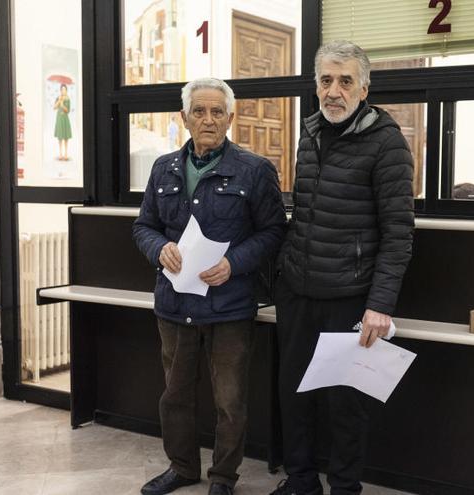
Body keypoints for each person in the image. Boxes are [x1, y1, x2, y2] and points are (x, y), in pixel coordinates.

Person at [271, 40, 415, 495]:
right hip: (298, 290)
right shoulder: (309, 131)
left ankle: (345, 488)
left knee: (345, 404)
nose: (334, 91)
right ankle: (300, 481)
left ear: (364, 87)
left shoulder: (387, 142)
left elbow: (398, 233)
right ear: (316, 85)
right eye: (326, 80)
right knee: (294, 393)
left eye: (345, 81)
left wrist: (379, 305)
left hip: (351, 297)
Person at [133, 77, 287, 495]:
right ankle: (182, 468)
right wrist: (159, 247)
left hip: (229, 306)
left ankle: (223, 478)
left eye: (217, 111)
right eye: (199, 111)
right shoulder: (162, 167)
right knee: (175, 396)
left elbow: (274, 232)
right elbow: (143, 225)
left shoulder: (255, 170)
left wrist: (234, 263)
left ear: (230, 118)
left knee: (230, 402)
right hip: (174, 303)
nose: (208, 119)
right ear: (184, 118)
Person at [53, 83, 72, 160]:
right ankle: (60, 154)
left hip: (65, 118)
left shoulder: (68, 99)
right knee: (60, 136)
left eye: (65, 89)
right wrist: (59, 101)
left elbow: (68, 110)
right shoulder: (58, 98)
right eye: (62, 89)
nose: (63, 91)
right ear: (60, 90)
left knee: (66, 136)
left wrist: (62, 104)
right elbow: (54, 107)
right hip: (59, 118)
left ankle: (66, 154)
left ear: (66, 90)